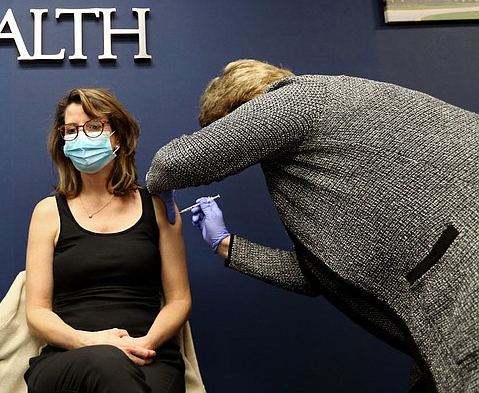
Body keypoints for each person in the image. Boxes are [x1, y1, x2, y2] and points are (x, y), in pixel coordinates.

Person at [146, 59, 478, 393]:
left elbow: (172, 163)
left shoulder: (298, 99)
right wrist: (225, 243)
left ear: (240, 112)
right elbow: (318, 276)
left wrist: (158, 188)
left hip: (465, 279)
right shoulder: (325, 143)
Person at [25, 88, 191, 393]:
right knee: (107, 362)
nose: (81, 137)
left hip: (149, 355)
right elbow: (36, 311)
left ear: (119, 137)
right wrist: (90, 341)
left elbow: (179, 299)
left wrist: (145, 344)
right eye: (71, 130)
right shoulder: (47, 213)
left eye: (93, 126)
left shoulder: (157, 206)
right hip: (69, 358)